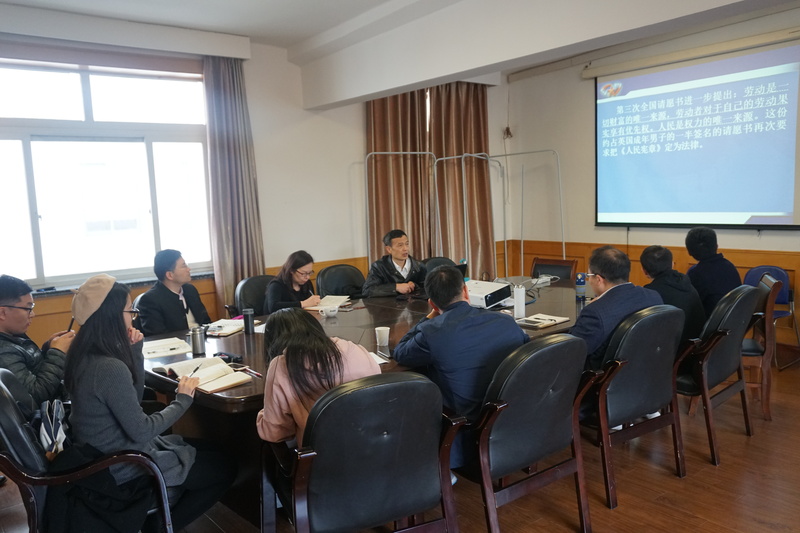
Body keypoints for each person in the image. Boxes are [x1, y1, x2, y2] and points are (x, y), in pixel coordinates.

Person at [64, 274, 236, 532]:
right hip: (124, 466)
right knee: (226, 467)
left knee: (214, 449)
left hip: (108, 456)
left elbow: (131, 401)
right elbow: (142, 430)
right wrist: (183, 399)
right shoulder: (107, 367)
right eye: (129, 310)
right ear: (112, 315)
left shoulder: (83, 354)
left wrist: (135, 352)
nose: (133, 317)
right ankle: (159, 527)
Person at [392, 266, 530, 468]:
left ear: (432, 303)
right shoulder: (506, 321)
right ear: (465, 291)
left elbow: (400, 353)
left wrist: (428, 317)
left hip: (466, 425)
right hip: (511, 415)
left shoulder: (433, 332)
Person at [256, 307, 380, 444]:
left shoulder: (281, 366)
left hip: (321, 453)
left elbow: (274, 433)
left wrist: (264, 413)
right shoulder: (355, 349)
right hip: (374, 445)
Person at [571, 246, 663, 370]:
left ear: (598, 279)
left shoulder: (595, 312)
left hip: (603, 376)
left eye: (589, 275)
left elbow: (572, 351)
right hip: (645, 370)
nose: (589, 280)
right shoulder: (653, 296)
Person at [0, 274, 75, 405]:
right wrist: (57, 353)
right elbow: (36, 395)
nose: (32, 314)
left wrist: (48, 348)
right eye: (28, 309)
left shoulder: (14, 335)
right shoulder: (3, 352)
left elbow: (31, 367)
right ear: (2, 313)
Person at [137, 249, 211, 336]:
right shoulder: (150, 300)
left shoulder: (190, 290)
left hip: (202, 339)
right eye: (184, 266)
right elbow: (158, 336)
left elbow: (206, 322)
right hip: (177, 343)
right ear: (170, 275)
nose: (188, 269)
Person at [640, 245, 706, 343]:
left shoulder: (650, 294)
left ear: (644, 271)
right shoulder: (686, 283)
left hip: (673, 349)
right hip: (695, 345)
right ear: (672, 264)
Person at [685, 227, 742, 316]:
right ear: (716, 246)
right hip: (731, 319)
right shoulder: (729, 266)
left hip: (709, 322)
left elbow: (688, 305)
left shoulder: (696, 273)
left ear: (689, 251)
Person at [362, 229, 427, 297]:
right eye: (400, 245)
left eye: (407, 244)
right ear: (389, 249)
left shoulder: (419, 266)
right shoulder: (379, 267)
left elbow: (427, 290)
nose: (405, 248)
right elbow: (367, 291)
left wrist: (415, 286)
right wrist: (395, 287)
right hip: (388, 303)